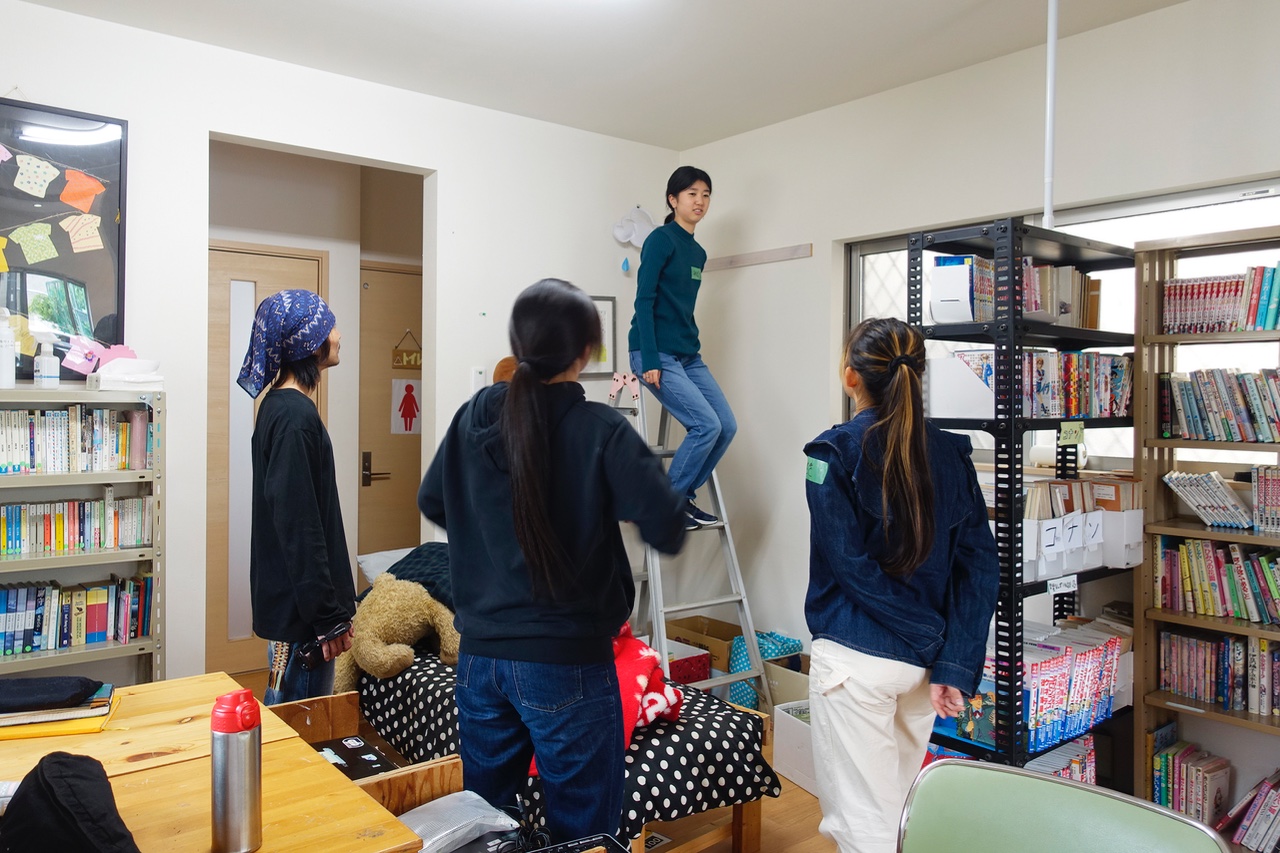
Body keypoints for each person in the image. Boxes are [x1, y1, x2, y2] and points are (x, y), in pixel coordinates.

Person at [419, 278, 687, 843]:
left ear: (518, 343)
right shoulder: (601, 430)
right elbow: (666, 526)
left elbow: (433, 500)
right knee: (583, 837)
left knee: (484, 830)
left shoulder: (473, 416)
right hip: (566, 662)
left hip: (480, 660)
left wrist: (489, 533)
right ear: (585, 352)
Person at [803, 317, 999, 853]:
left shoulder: (830, 455)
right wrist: (952, 660)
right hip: (921, 672)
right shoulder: (953, 455)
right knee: (896, 819)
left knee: (865, 826)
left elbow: (851, 570)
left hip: (858, 664)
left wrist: (934, 642)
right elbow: (980, 567)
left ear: (851, 376)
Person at [238, 289, 355, 706]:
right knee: (298, 731)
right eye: (330, 327)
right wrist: (328, 617)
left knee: (284, 721)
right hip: (304, 621)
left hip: (299, 613)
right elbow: (299, 526)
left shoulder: (281, 408)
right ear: (311, 342)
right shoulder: (293, 416)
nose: (338, 335)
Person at [628, 165, 734, 531]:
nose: (700, 201)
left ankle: (682, 495)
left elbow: (682, 307)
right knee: (705, 424)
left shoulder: (698, 252)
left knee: (726, 426)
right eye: (692, 194)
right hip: (654, 352)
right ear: (673, 200)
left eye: (706, 195)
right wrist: (650, 358)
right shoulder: (661, 240)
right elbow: (644, 300)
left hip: (688, 355)